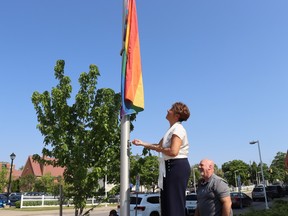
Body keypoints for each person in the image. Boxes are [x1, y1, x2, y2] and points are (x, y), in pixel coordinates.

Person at [132, 102, 191, 216]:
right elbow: (159, 147)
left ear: (176, 115)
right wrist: (142, 143)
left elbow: (173, 151)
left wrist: (160, 149)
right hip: (169, 168)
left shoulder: (178, 129)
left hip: (176, 167)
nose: (167, 110)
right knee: (167, 203)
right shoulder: (171, 130)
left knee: (174, 204)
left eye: (171, 109)